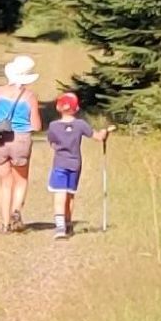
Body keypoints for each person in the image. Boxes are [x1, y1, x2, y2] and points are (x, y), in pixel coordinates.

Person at [0, 55, 43, 234]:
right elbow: (37, 125)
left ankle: (5, 224)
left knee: (4, 182)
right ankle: (16, 210)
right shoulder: (30, 96)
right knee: (21, 179)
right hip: (21, 139)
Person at [44, 92, 111, 240]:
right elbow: (98, 137)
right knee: (70, 194)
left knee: (59, 194)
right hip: (75, 164)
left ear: (58, 108)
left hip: (60, 163)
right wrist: (104, 133)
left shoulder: (53, 126)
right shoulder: (80, 125)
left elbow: (52, 143)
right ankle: (68, 223)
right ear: (76, 108)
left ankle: (60, 227)